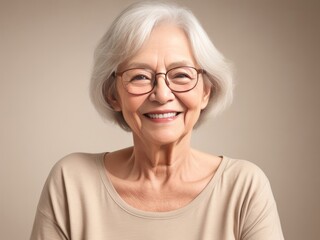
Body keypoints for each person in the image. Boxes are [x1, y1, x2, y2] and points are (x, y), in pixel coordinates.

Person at [30, 2, 284, 239]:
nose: (162, 94)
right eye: (139, 76)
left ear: (206, 91)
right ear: (113, 94)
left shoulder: (243, 187)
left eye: (181, 75)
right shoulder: (72, 181)